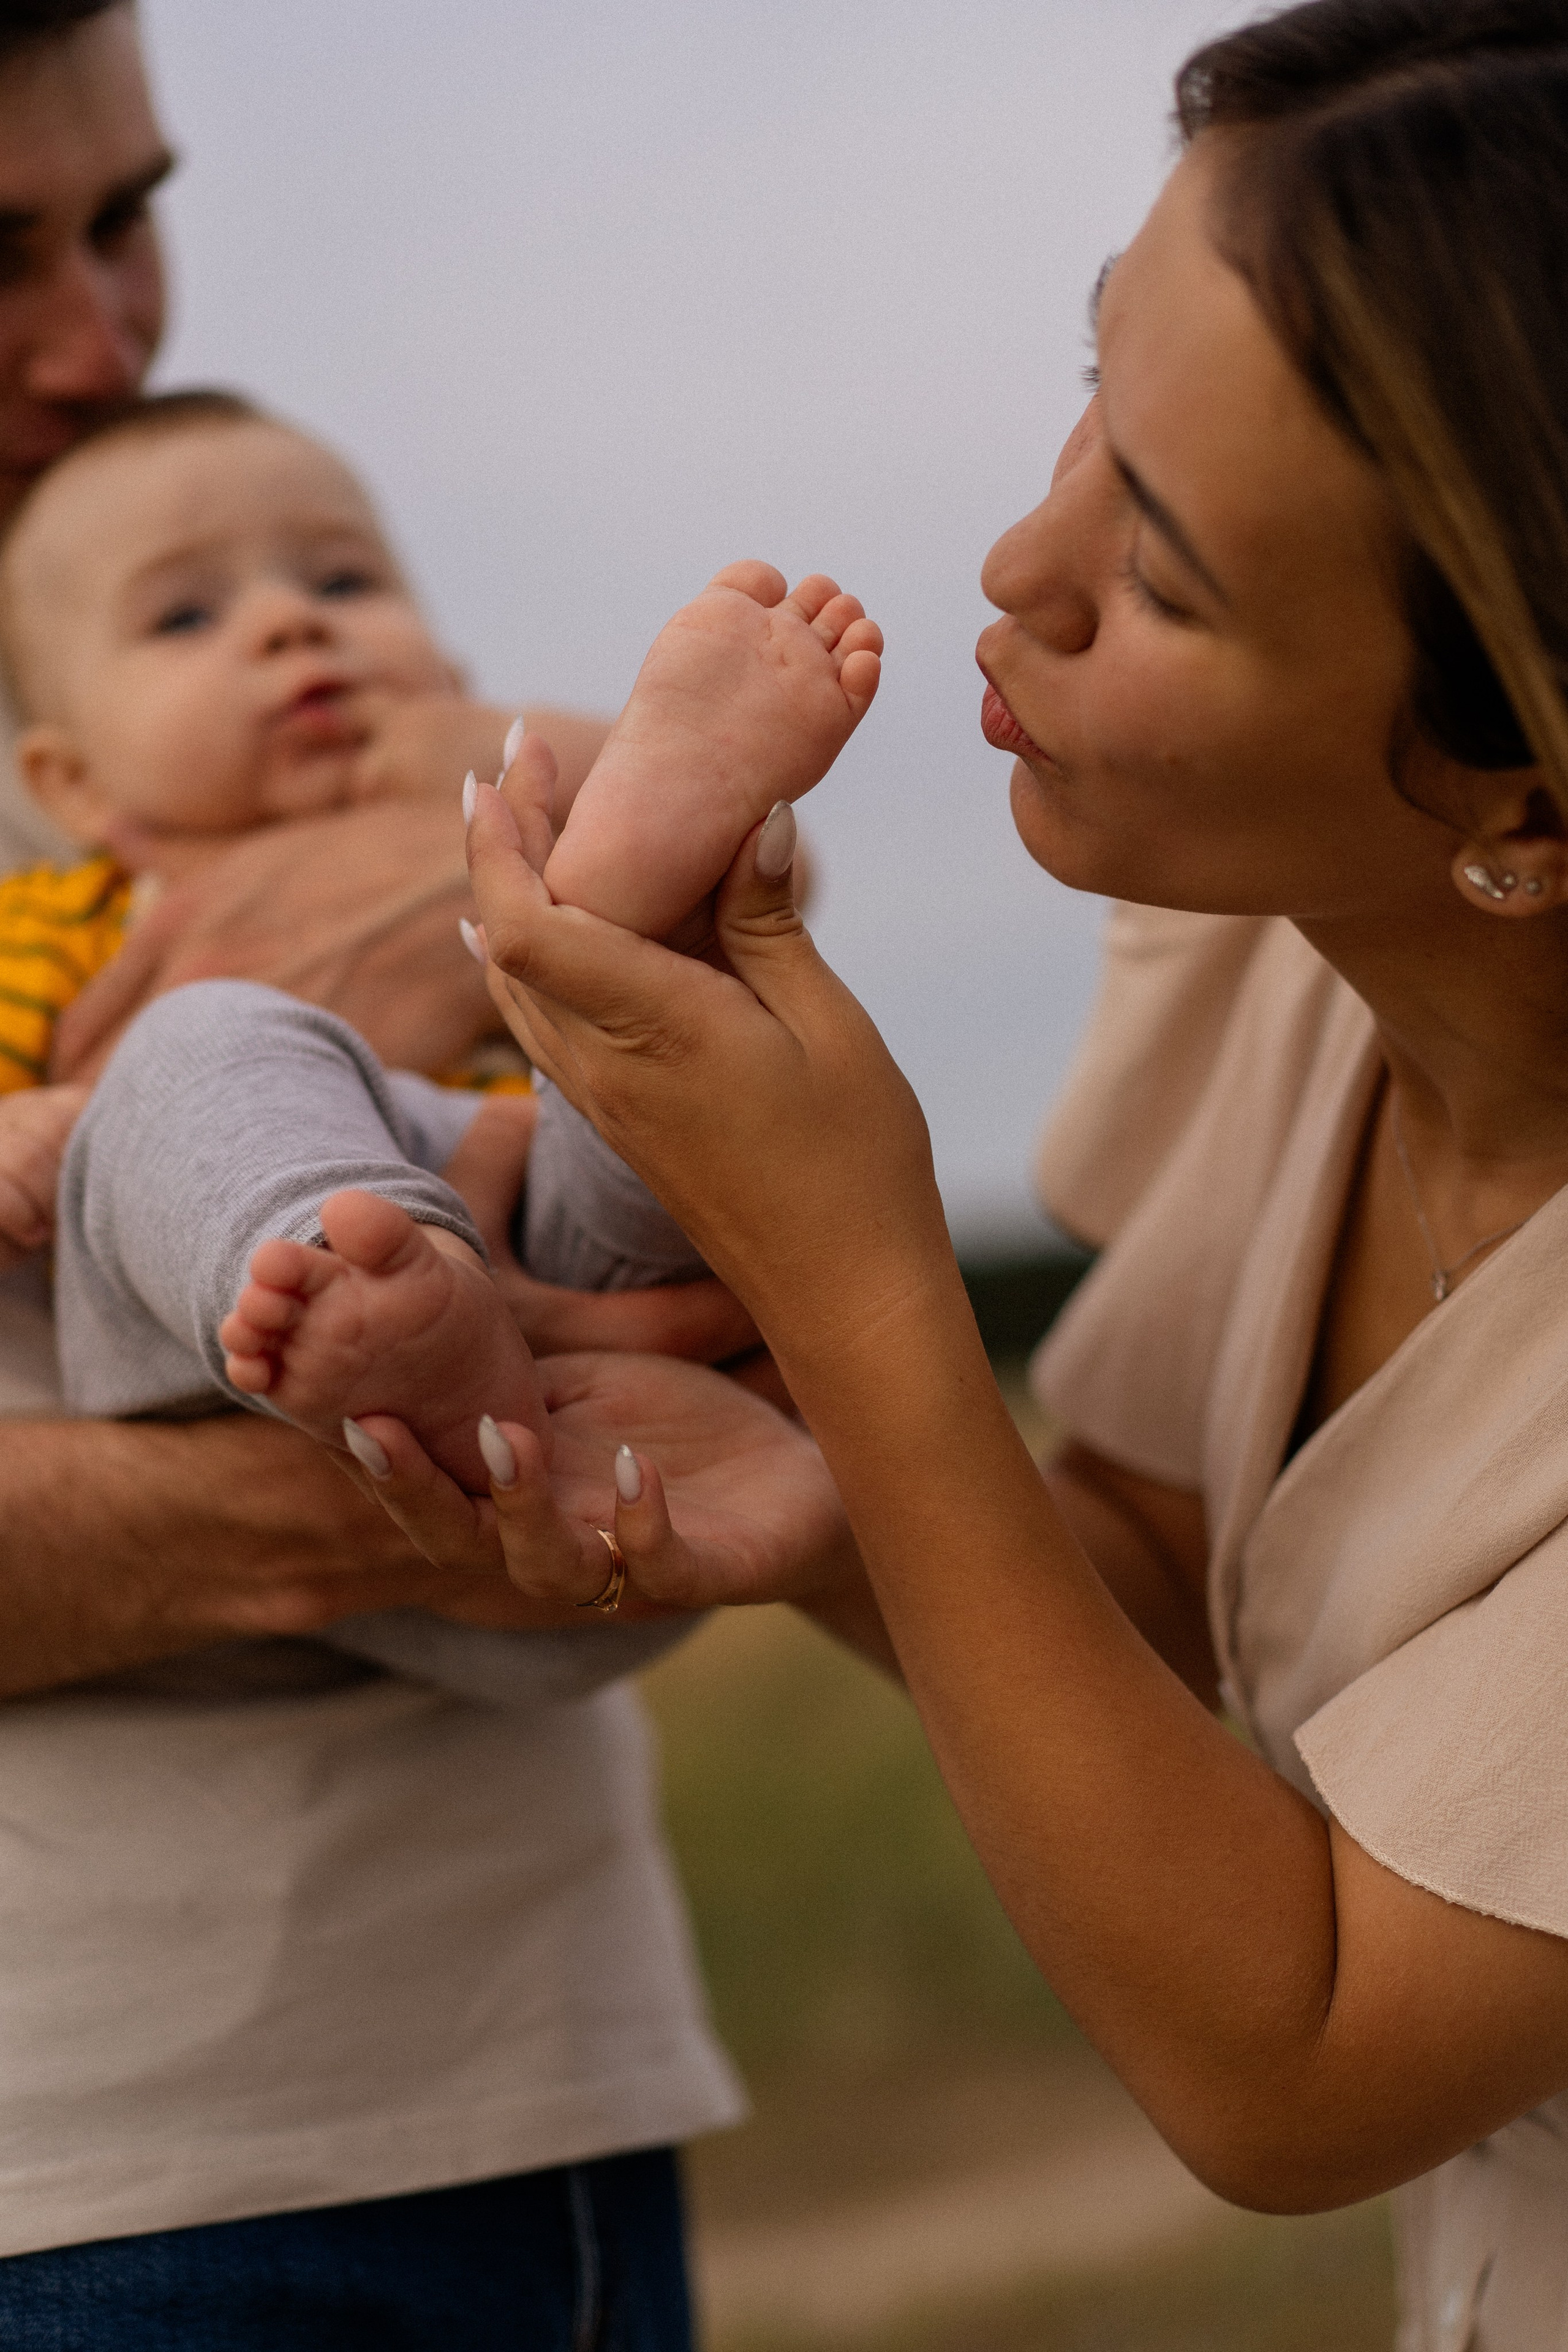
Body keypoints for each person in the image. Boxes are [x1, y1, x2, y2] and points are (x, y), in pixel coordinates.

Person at [349, 3, 1568, 2342]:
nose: (1023, 556)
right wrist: (834, 1505)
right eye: (1096, 376)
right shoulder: (1298, 975)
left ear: (1525, 796)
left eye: (1176, 582)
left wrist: (863, 1278)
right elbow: (1181, 1567)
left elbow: (1297, 2063)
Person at [0, 5, 761, 2342]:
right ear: (73, 749)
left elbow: (746, 1023)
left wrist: (559, 865)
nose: (94, 344)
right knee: (233, 1067)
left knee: (625, 1050)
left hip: (495, 2062)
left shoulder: (235, 639)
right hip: (101, 2140)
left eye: (131, 217)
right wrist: (487, 1453)